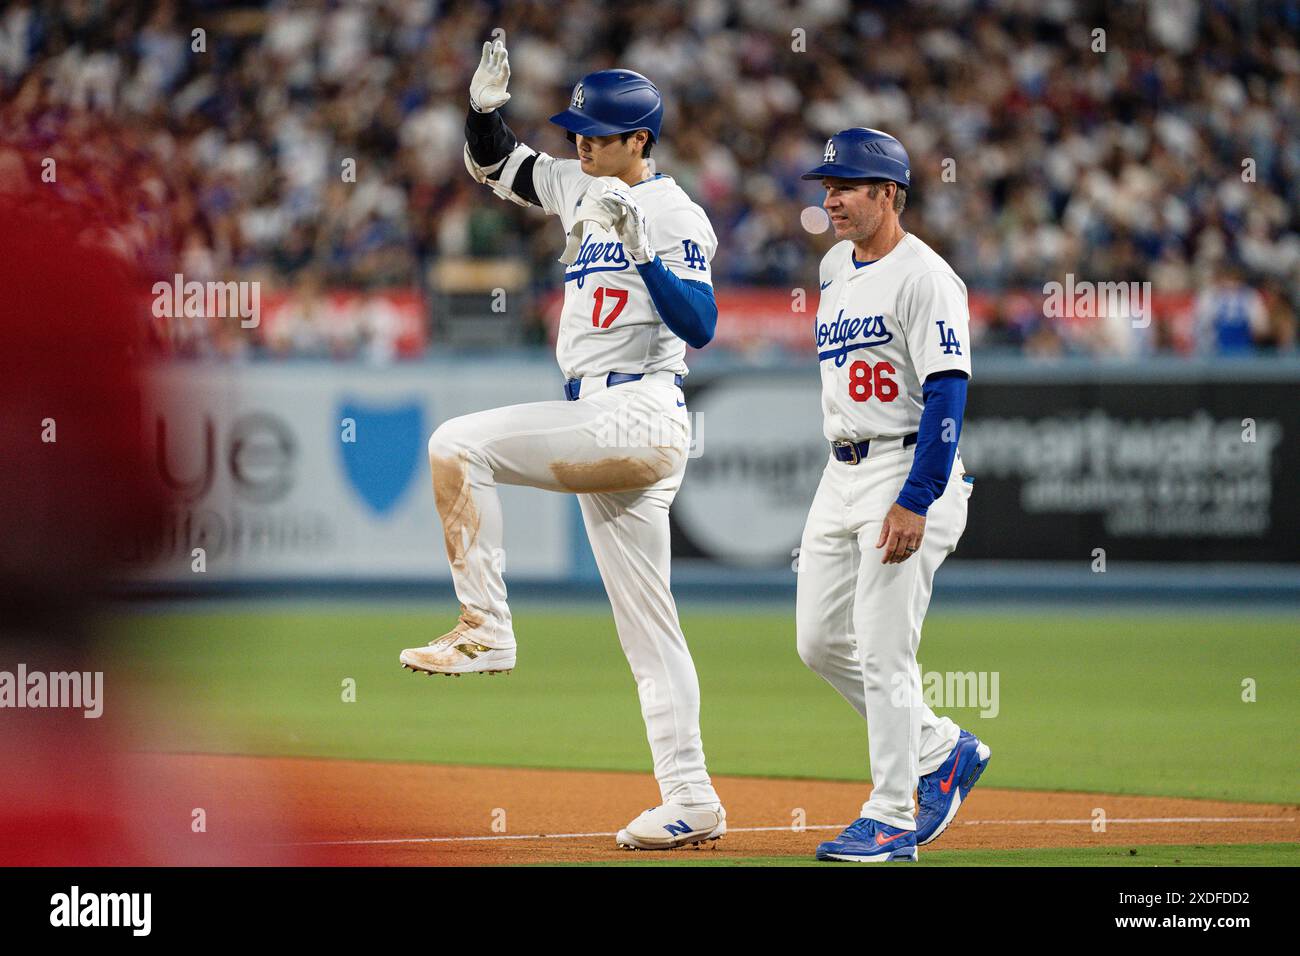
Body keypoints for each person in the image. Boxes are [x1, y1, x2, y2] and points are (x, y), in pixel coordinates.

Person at [399, 40, 725, 851]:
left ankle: (486, 625)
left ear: (640, 140)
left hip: (641, 412)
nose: (580, 143)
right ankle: (692, 800)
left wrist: (645, 251)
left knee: (456, 445)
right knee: (650, 632)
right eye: (576, 130)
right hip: (597, 418)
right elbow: (495, 165)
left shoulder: (677, 212)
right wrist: (481, 113)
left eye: (598, 134)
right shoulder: (578, 183)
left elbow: (702, 326)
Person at [795, 128, 991, 862]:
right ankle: (943, 748)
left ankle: (891, 818)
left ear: (888, 193)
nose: (831, 198)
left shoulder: (927, 277)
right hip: (839, 469)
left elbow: (946, 391)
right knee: (817, 641)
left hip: (905, 468)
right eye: (827, 186)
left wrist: (918, 495)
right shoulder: (833, 267)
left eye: (845, 186)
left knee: (883, 650)